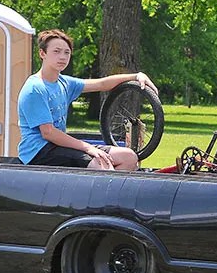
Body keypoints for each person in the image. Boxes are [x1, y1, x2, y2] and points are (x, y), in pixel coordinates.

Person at [17, 29, 158, 170]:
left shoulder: (64, 83)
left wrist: (136, 76)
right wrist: (88, 148)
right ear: (42, 53)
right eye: (56, 51)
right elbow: (48, 133)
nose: (62, 57)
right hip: (39, 152)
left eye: (67, 52)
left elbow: (102, 84)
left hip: (60, 146)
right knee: (102, 164)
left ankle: (109, 191)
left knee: (129, 157)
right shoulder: (35, 88)